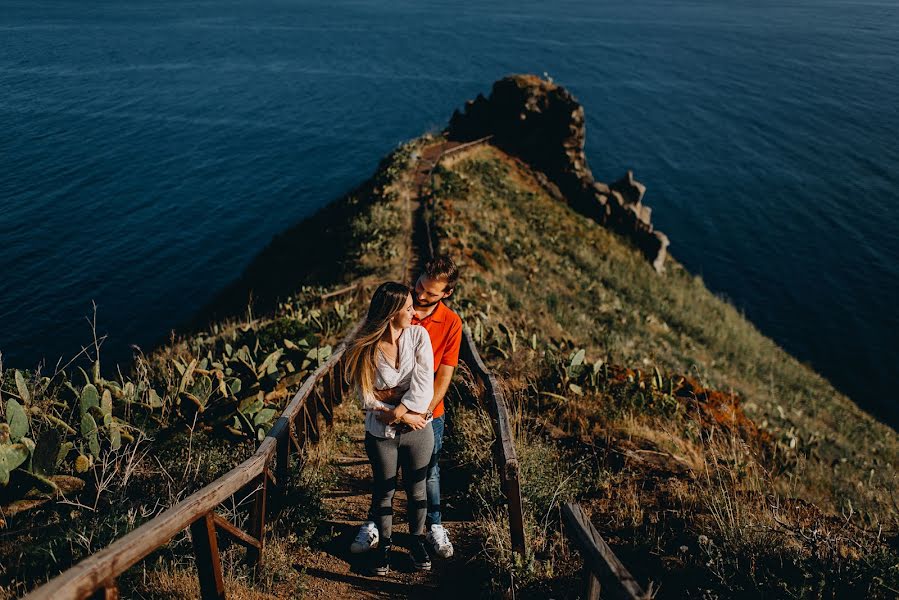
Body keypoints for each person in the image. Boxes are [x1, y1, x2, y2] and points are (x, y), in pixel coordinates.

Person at [351, 256, 462, 560]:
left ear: (446, 294)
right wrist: (392, 404)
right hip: (386, 421)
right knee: (383, 482)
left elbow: (440, 375)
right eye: (420, 287)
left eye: (430, 293)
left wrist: (415, 412)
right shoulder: (393, 313)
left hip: (427, 415)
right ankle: (377, 530)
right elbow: (363, 386)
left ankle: (432, 529)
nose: (421, 296)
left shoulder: (448, 324)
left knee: (427, 477)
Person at [344, 281, 435, 576]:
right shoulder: (365, 346)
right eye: (408, 308)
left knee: (416, 487)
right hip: (386, 433)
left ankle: (417, 541)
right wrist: (406, 414)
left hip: (418, 431)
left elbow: (423, 389)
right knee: (384, 490)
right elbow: (366, 396)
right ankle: (384, 545)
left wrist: (395, 408)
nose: (414, 313)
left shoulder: (419, 336)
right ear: (392, 311)